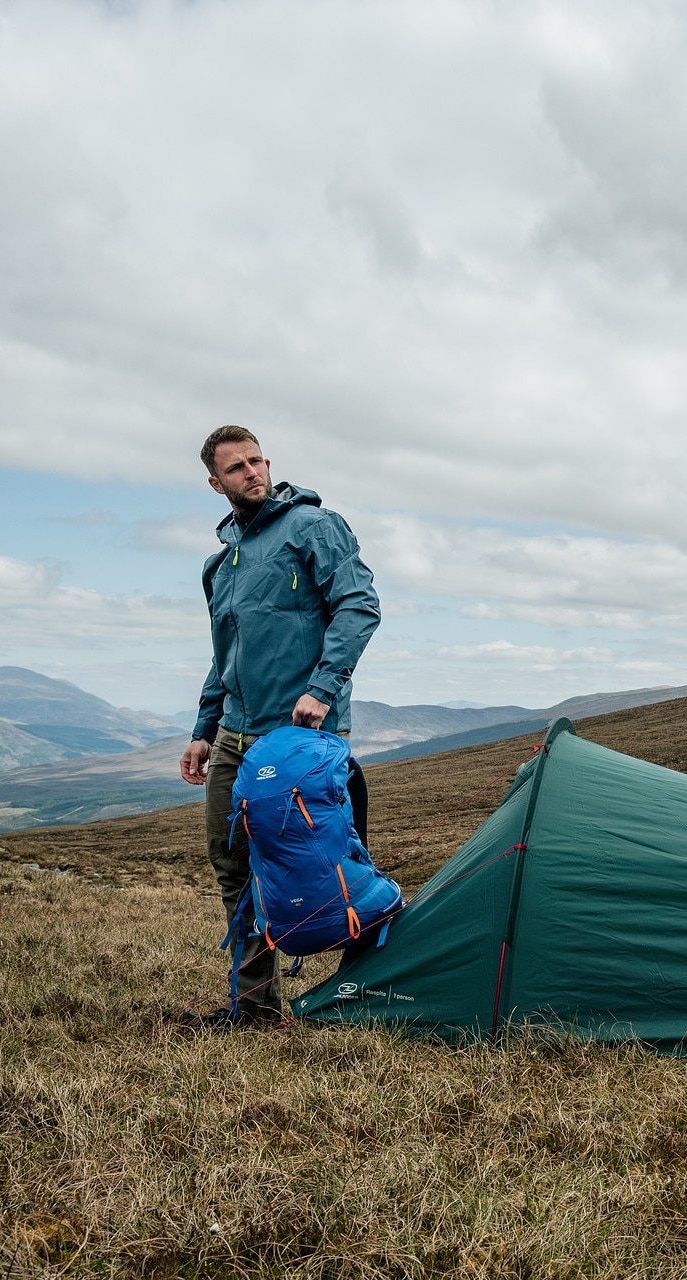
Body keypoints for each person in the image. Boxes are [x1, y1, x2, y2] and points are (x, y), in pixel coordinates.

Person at [178, 425, 381, 1024]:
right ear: (217, 484)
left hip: (299, 739)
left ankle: (366, 992)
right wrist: (203, 728)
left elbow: (358, 605)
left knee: (329, 862)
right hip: (237, 737)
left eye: (257, 460)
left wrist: (322, 689)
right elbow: (225, 656)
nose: (252, 472)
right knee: (233, 863)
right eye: (236, 468)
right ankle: (255, 1006)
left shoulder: (314, 527)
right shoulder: (223, 561)